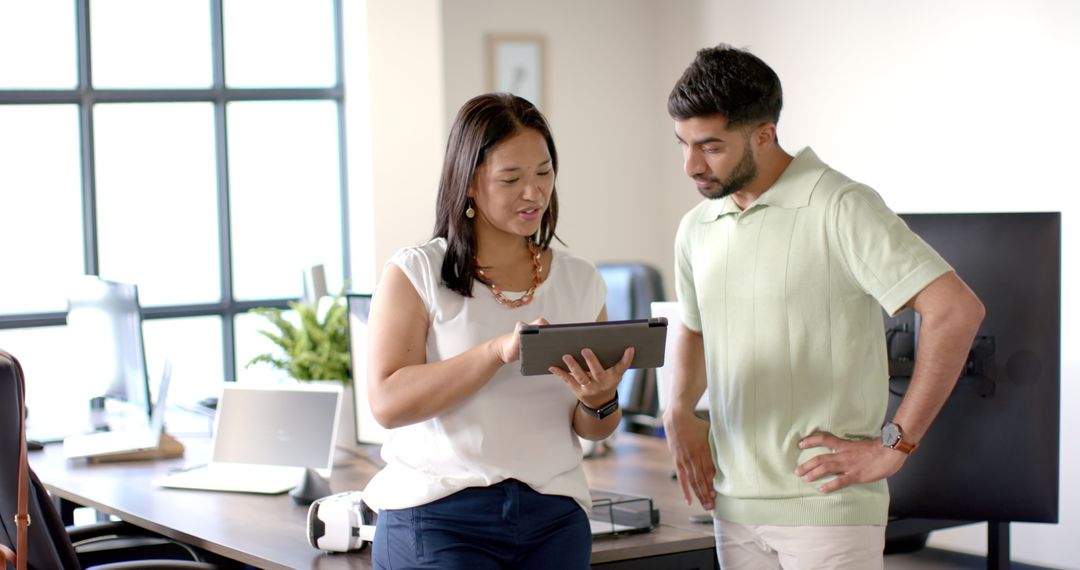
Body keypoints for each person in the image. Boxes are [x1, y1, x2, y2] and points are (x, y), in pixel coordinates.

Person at [661, 44, 986, 569]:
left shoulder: (840, 206)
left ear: (764, 134)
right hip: (732, 505)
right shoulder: (697, 226)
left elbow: (956, 310)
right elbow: (695, 327)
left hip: (827, 507)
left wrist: (894, 445)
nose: (691, 165)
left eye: (711, 147)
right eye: (683, 144)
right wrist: (677, 410)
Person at [361, 92, 634, 570]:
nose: (534, 193)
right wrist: (495, 352)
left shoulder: (580, 280)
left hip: (554, 515)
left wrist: (599, 399)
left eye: (544, 173)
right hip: (439, 514)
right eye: (511, 179)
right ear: (468, 184)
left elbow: (594, 427)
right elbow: (387, 402)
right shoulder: (416, 272)